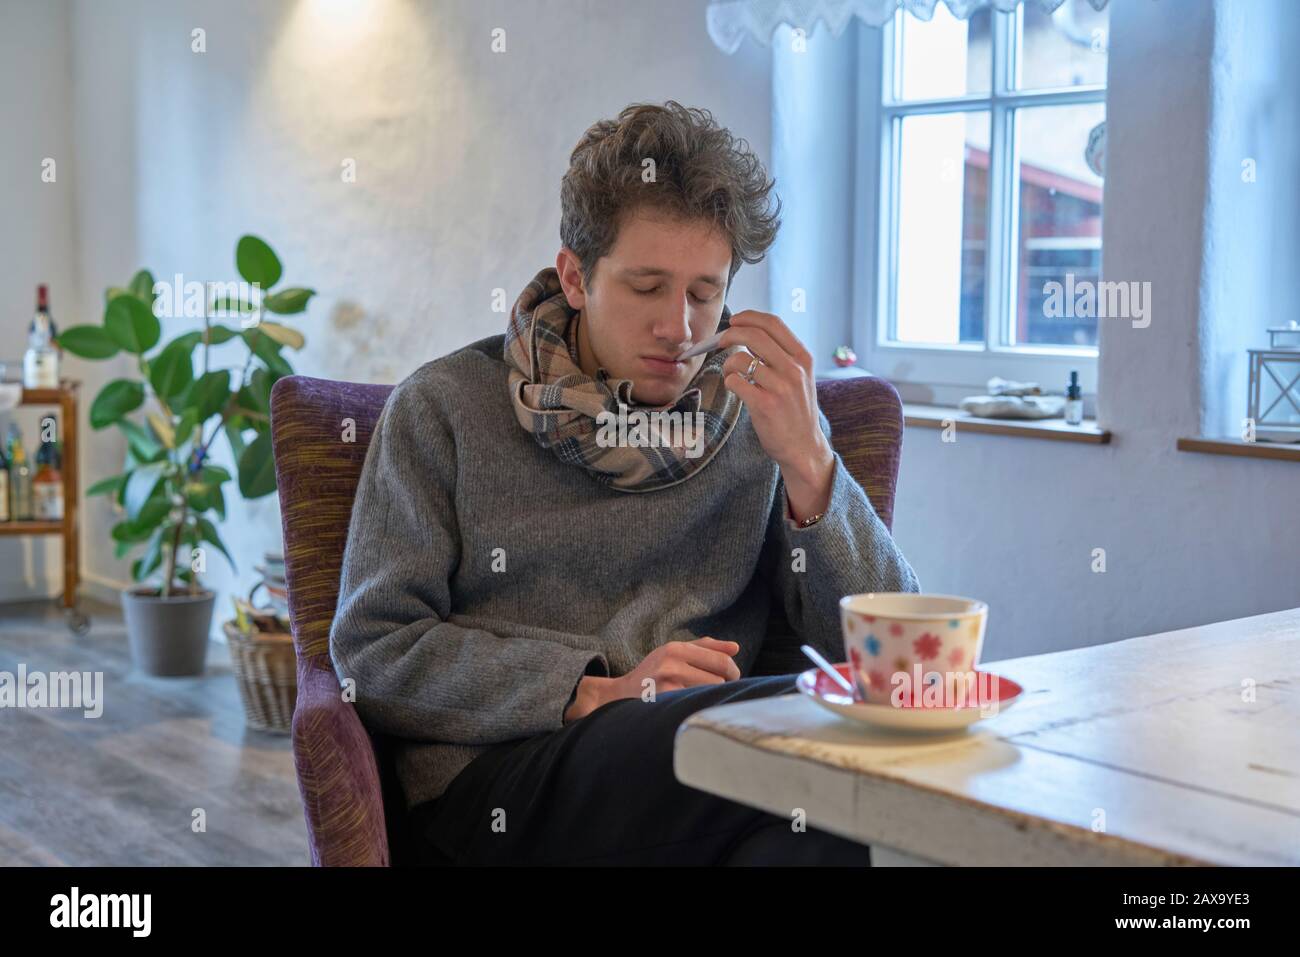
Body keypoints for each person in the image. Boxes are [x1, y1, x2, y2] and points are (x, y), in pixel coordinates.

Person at [329, 100, 920, 866]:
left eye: (705, 293)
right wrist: (591, 691)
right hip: (500, 783)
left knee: (806, 837)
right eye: (646, 288)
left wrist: (812, 466)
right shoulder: (443, 408)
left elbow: (900, 667)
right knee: (813, 748)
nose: (679, 326)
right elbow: (372, 650)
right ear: (575, 276)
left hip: (709, 773)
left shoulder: (763, 419)